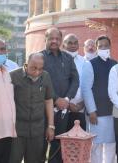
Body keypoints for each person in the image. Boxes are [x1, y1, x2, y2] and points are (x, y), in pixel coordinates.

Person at [41, 27, 79, 163]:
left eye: (57, 39)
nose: (54, 41)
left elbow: (75, 80)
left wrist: (67, 99)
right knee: (41, 146)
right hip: (43, 110)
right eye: (51, 38)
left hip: (63, 110)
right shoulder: (39, 57)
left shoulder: (68, 58)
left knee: (58, 146)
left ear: (61, 40)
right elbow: (39, 82)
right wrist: (56, 99)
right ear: (45, 39)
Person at [9, 52, 55, 163]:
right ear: (26, 64)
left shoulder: (45, 76)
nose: (37, 72)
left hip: (37, 130)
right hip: (16, 130)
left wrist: (51, 126)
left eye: (40, 69)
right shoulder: (13, 76)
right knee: (13, 160)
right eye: (33, 68)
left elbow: (48, 101)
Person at [81, 35, 117, 163]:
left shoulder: (115, 64)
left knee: (111, 145)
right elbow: (86, 89)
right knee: (95, 146)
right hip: (96, 113)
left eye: (106, 45)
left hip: (112, 112)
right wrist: (91, 111)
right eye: (100, 46)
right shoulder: (90, 64)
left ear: (110, 46)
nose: (103, 48)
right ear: (96, 48)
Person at [62, 33, 87, 130]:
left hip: (80, 109)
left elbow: (88, 85)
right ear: (64, 45)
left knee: (80, 142)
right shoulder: (59, 61)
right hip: (62, 109)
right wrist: (67, 104)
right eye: (70, 43)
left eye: (75, 43)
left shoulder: (84, 62)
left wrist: (83, 103)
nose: (73, 45)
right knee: (61, 142)